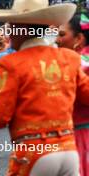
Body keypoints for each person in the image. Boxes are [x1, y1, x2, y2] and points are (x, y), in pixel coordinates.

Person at [0, 0, 89, 175]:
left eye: (12, 28)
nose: (9, 34)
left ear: (21, 29)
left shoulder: (11, 64)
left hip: (34, 152)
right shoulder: (69, 58)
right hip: (68, 150)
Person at [56, 12, 89, 176]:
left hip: (79, 137)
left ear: (79, 39)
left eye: (62, 34)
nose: (57, 40)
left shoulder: (79, 64)